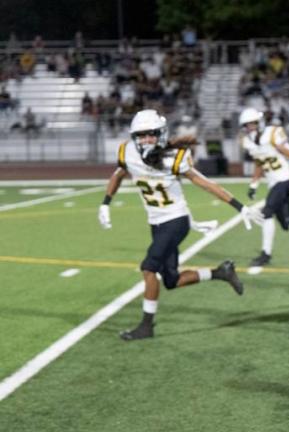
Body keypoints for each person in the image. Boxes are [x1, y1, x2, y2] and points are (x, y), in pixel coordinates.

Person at [98, 109, 263, 341]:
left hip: (175, 221)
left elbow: (204, 183)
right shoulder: (128, 151)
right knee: (171, 281)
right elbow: (118, 175)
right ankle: (221, 272)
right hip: (156, 222)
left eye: (151, 135)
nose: (146, 140)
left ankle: (146, 326)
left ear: (161, 134)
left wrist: (239, 206)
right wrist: (106, 203)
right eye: (141, 135)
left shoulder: (174, 157)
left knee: (148, 268)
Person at [238, 108, 289, 267]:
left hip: (285, 179)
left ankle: (266, 254)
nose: (251, 127)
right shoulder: (248, 141)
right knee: (287, 224)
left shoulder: (272, 134)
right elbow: (259, 162)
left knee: (266, 213)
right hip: (274, 182)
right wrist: (254, 184)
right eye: (247, 125)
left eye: (253, 123)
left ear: (259, 122)